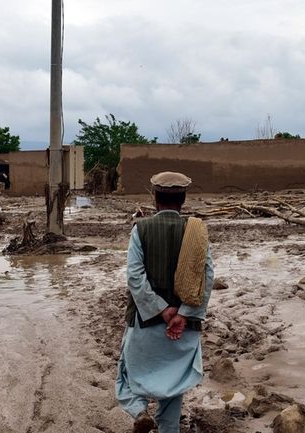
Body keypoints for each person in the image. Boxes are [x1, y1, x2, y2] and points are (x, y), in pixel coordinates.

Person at [115, 172, 214, 433]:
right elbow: (207, 276)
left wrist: (162, 310)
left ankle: (138, 411)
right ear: (183, 200)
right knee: (173, 385)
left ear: (155, 198)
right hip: (184, 329)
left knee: (125, 374)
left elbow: (135, 277)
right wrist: (184, 313)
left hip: (145, 322)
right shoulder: (197, 230)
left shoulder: (141, 229)